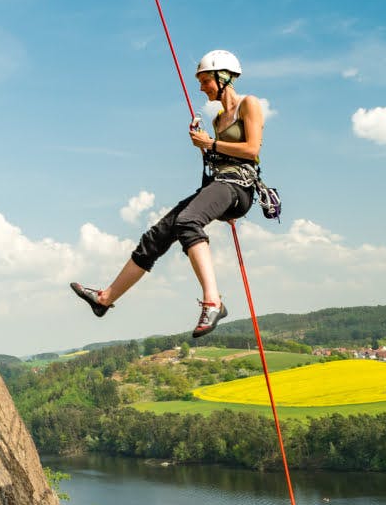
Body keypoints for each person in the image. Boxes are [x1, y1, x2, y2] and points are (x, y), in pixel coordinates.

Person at [70, 49, 264, 338]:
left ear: (222, 77)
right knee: (157, 234)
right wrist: (207, 148)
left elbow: (251, 150)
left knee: (187, 221)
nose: (200, 87)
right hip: (219, 188)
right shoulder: (217, 119)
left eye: (204, 80)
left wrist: (209, 145)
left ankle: (214, 302)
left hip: (239, 187)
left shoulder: (249, 104)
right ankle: (105, 299)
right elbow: (220, 158)